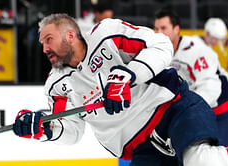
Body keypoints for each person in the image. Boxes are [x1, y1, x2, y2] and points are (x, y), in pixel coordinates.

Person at [13, 13, 228, 166]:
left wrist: (126, 76)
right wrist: (44, 129)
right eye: (42, 43)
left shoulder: (106, 35)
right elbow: (72, 131)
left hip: (173, 109)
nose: (45, 49)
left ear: (70, 35)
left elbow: (161, 45)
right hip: (141, 147)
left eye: (49, 40)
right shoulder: (56, 85)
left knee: (202, 159)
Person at [154, 9, 228, 146]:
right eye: (156, 28)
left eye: (163, 28)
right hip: (195, 110)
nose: (159, 33)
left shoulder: (197, 50)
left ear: (176, 29)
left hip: (220, 110)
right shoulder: (158, 53)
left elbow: (210, 86)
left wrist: (189, 110)